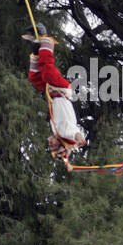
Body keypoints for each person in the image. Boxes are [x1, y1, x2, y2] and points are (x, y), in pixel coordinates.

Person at [24, 23, 86, 161]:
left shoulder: (56, 131)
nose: (50, 144)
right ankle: (46, 39)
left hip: (53, 92)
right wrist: (80, 139)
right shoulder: (64, 133)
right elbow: (75, 134)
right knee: (46, 70)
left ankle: (36, 52)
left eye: (50, 147)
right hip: (61, 89)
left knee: (34, 78)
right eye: (53, 147)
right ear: (61, 145)